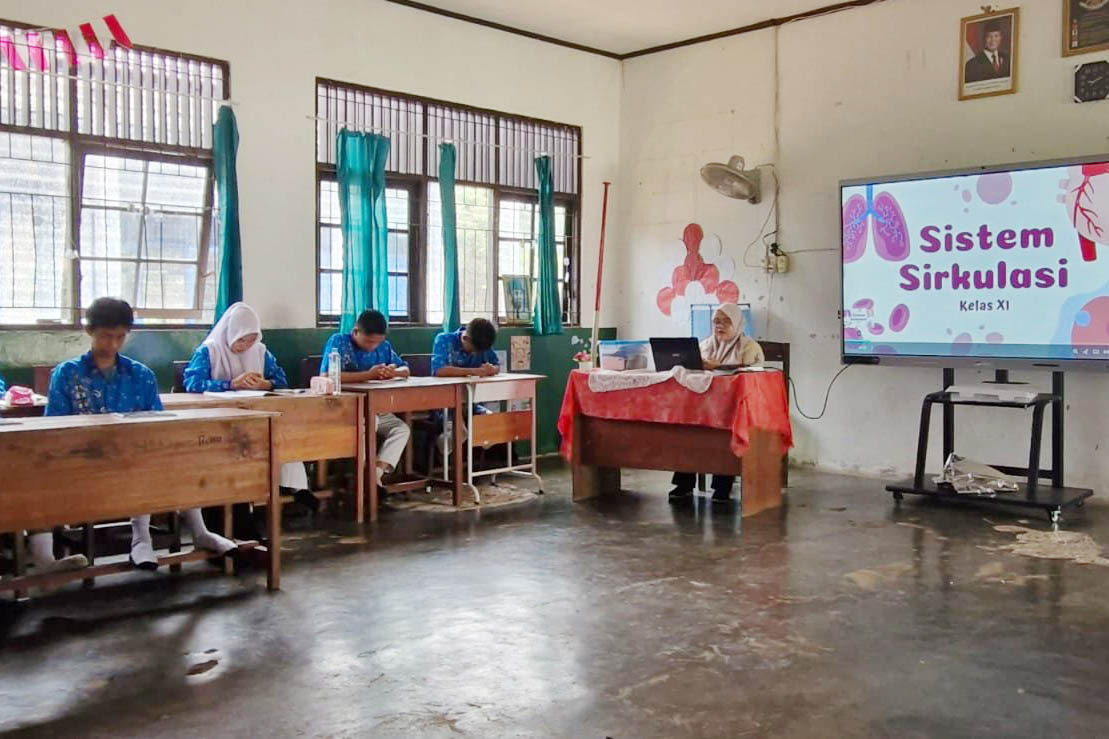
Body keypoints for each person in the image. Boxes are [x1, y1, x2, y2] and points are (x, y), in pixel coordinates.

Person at [47, 297, 238, 570]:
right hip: (85, 462)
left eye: (120, 337)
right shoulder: (67, 374)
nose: (113, 344)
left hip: (137, 458)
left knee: (177, 458)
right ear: (89, 331)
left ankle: (195, 533)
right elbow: (53, 427)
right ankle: (139, 539)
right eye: (105, 336)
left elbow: (158, 425)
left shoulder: (140, 374)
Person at [185, 302, 316, 516]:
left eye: (252, 339)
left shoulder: (261, 351)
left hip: (256, 416)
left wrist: (266, 384)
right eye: (241, 339)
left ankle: (296, 487)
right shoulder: (210, 350)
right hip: (219, 420)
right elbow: (192, 383)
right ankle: (242, 507)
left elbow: (281, 380)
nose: (246, 345)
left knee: (281, 438)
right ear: (230, 333)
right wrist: (230, 384)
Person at [670, 303, 765, 504]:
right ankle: (684, 484)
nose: (719, 326)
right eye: (716, 321)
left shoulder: (750, 347)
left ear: (737, 323)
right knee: (687, 428)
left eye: (725, 321)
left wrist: (718, 367)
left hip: (736, 407)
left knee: (726, 430)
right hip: (705, 406)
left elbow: (752, 374)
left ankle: (722, 486)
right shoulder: (704, 346)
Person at [319, 309, 411, 484]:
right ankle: (361, 475)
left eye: (378, 342)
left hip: (377, 407)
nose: (373, 346)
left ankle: (375, 473)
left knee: (401, 429)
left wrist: (393, 372)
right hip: (348, 409)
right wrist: (369, 375)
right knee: (370, 422)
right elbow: (327, 376)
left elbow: (405, 369)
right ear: (355, 331)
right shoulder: (338, 342)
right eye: (369, 341)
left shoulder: (385, 346)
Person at [431, 317, 499, 378]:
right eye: (473, 350)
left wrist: (492, 369)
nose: (475, 353)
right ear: (466, 338)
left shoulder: (483, 342)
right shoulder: (444, 340)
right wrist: (473, 371)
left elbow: (496, 365)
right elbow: (438, 370)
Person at [964, 20, 1010, 84]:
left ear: (1001, 38)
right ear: (984, 38)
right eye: (989, 36)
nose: (993, 40)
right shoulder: (972, 64)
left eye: (996, 36)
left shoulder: (1007, 59)